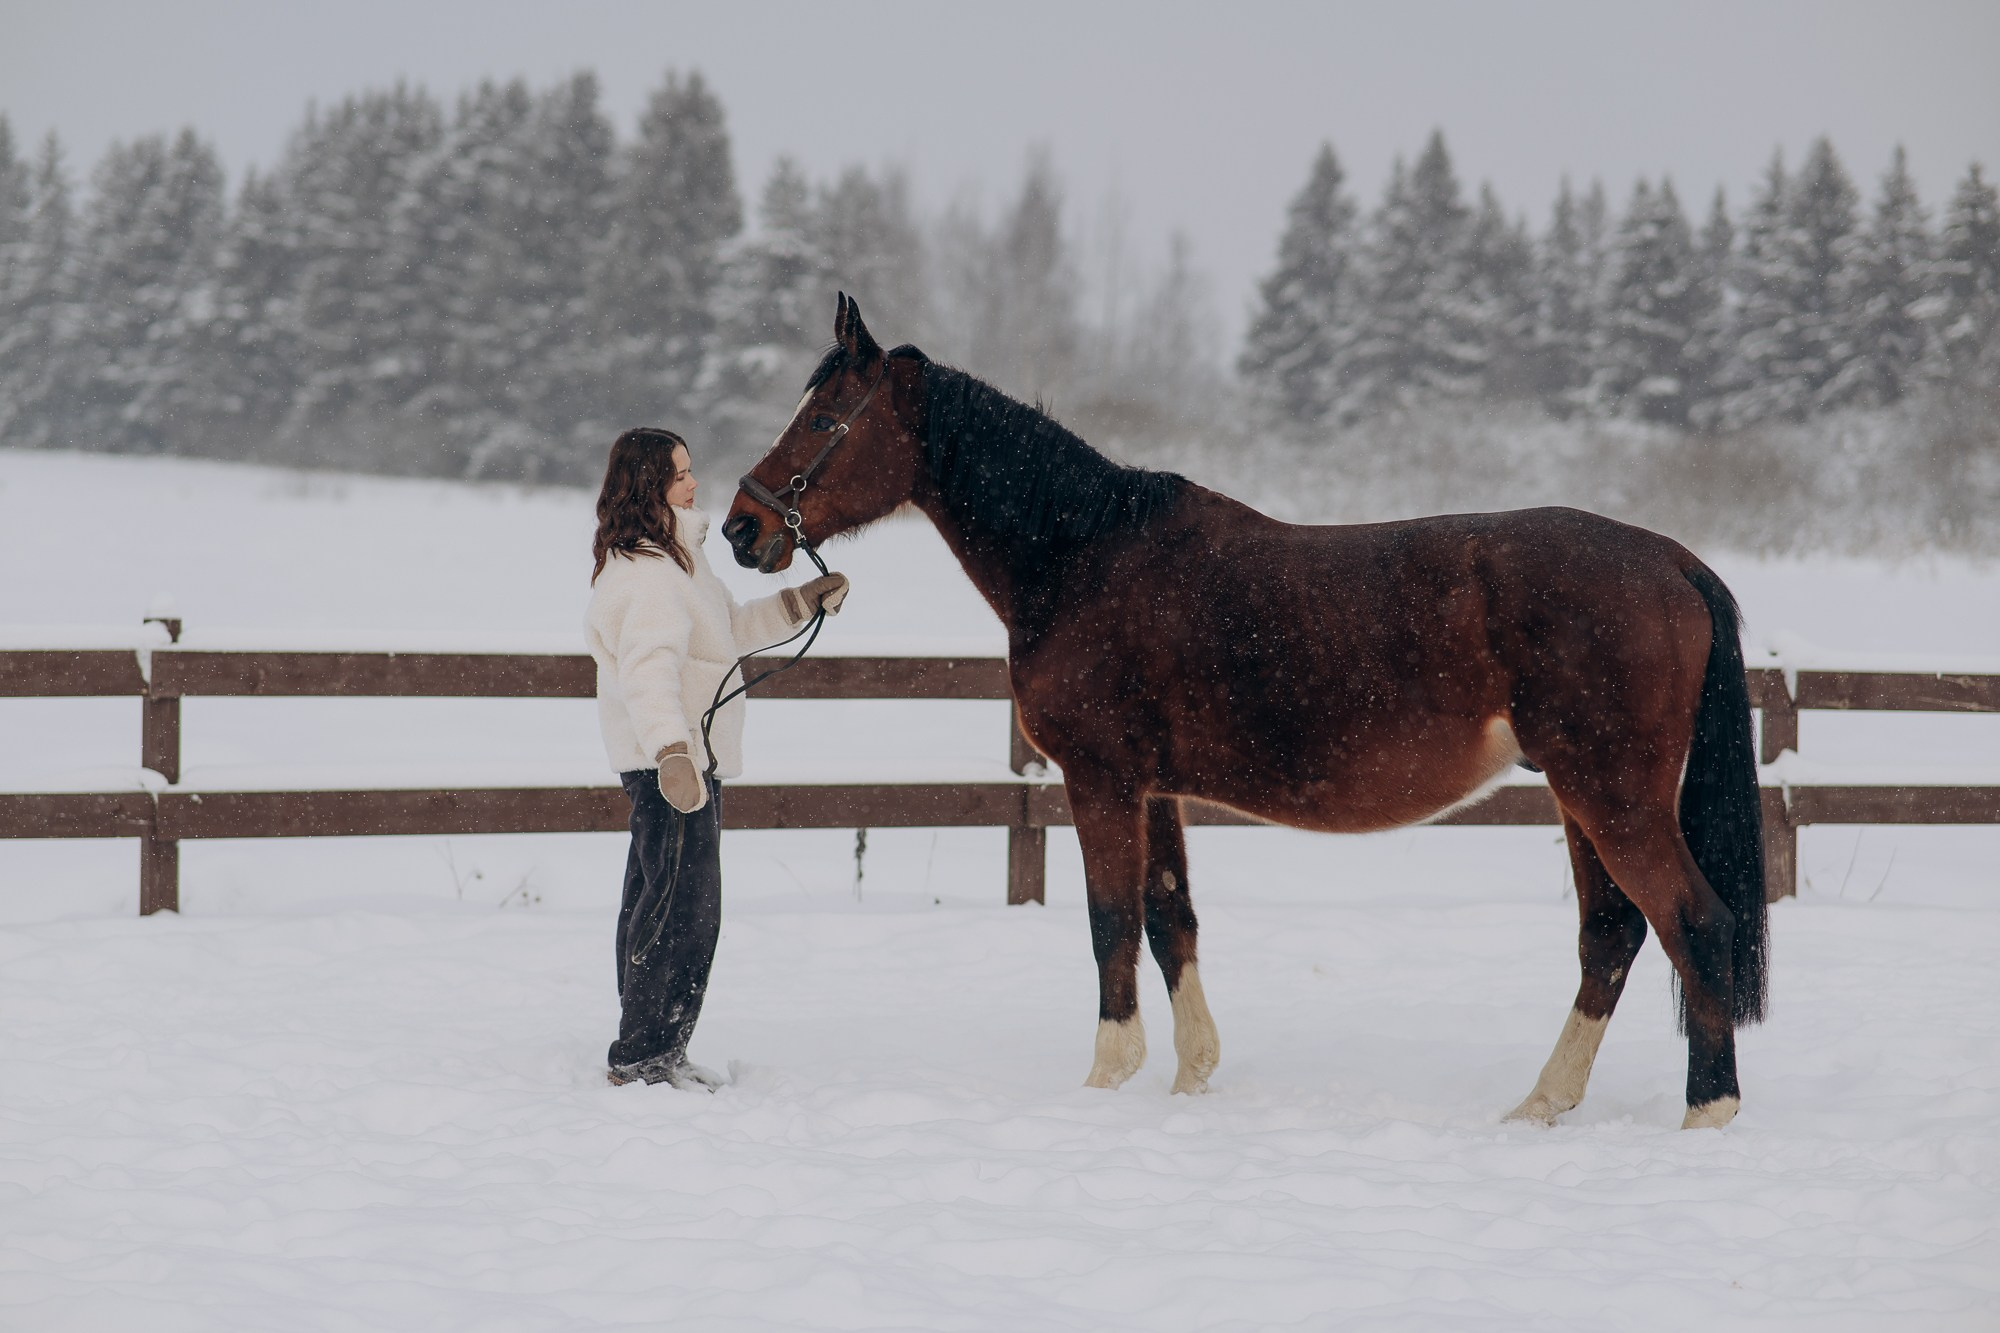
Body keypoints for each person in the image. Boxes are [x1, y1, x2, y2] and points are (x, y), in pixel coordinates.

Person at [584, 428, 848, 1088]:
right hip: (672, 767)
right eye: (680, 475)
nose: (694, 483)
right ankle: (642, 1056)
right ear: (650, 486)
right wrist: (673, 754)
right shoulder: (649, 576)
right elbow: (647, 673)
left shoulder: (679, 564)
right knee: (678, 912)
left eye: (690, 470)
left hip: (688, 763)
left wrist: (801, 602)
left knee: (671, 905)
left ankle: (656, 1049)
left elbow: (729, 633)